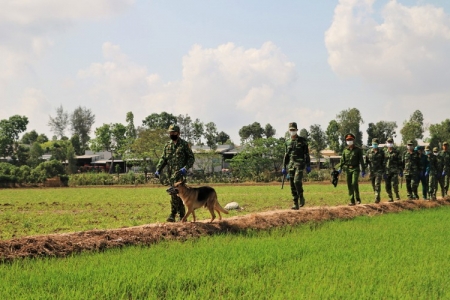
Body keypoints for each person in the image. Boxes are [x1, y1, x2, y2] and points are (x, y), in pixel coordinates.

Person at [155, 124, 195, 222]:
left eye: (174, 132)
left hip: (180, 175)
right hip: (171, 175)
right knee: (175, 195)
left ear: (178, 133)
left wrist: (185, 168)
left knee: (179, 195)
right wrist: (158, 169)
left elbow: (191, 158)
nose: (172, 134)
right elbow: (163, 159)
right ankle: (177, 215)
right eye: (170, 132)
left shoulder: (184, 145)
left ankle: (177, 215)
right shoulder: (167, 146)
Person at [282, 122, 311, 210]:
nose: (292, 131)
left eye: (294, 130)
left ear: (297, 130)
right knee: (292, 185)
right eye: (291, 130)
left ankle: (301, 196)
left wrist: (308, 165)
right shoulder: (287, 142)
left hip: (299, 164)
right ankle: (295, 203)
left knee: (297, 181)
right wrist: (284, 167)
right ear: (288, 130)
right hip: (291, 165)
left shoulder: (302, 141)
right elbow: (286, 155)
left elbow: (306, 154)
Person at [339, 133, 366, 206]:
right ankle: (352, 200)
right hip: (348, 169)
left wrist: (363, 169)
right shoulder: (345, 150)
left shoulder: (358, 150)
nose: (349, 141)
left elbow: (361, 160)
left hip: (355, 168)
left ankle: (358, 198)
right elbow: (342, 160)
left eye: (350, 140)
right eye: (348, 140)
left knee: (354, 183)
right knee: (349, 185)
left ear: (353, 140)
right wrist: (340, 168)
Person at [365, 138, 385, 203]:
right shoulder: (368, 152)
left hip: (379, 171)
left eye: (376, 144)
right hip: (372, 171)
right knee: (373, 184)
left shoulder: (381, 152)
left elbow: (384, 162)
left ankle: (377, 198)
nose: (374, 145)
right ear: (372, 144)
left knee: (377, 184)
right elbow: (366, 162)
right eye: (373, 144)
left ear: (378, 144)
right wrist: (364, 169)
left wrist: (384, 171)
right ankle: (377, 195)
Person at [384, 137, 401, 202]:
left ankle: (396, 194)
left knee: (395, 184)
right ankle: (390, 197)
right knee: (387, 185)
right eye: (388, 142)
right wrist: (383, 171)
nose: (389, 143)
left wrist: (400, 170)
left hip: (394, 171)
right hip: (387, 171)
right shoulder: (385, 152)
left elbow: (399, 161)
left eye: (391, 142)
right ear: (386, 143)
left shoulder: (396, 152)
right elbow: (383, 162)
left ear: (393, 143)